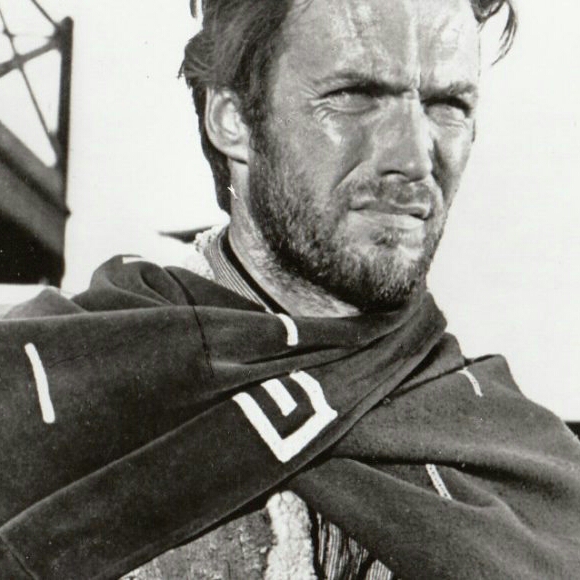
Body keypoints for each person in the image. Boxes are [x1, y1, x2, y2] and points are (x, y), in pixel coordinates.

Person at [1, 0, 580, 579]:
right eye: (354, 95)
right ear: (232, 119)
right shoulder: (43, 385)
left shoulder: (533, 468)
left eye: (448, 104)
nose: (413, 159)